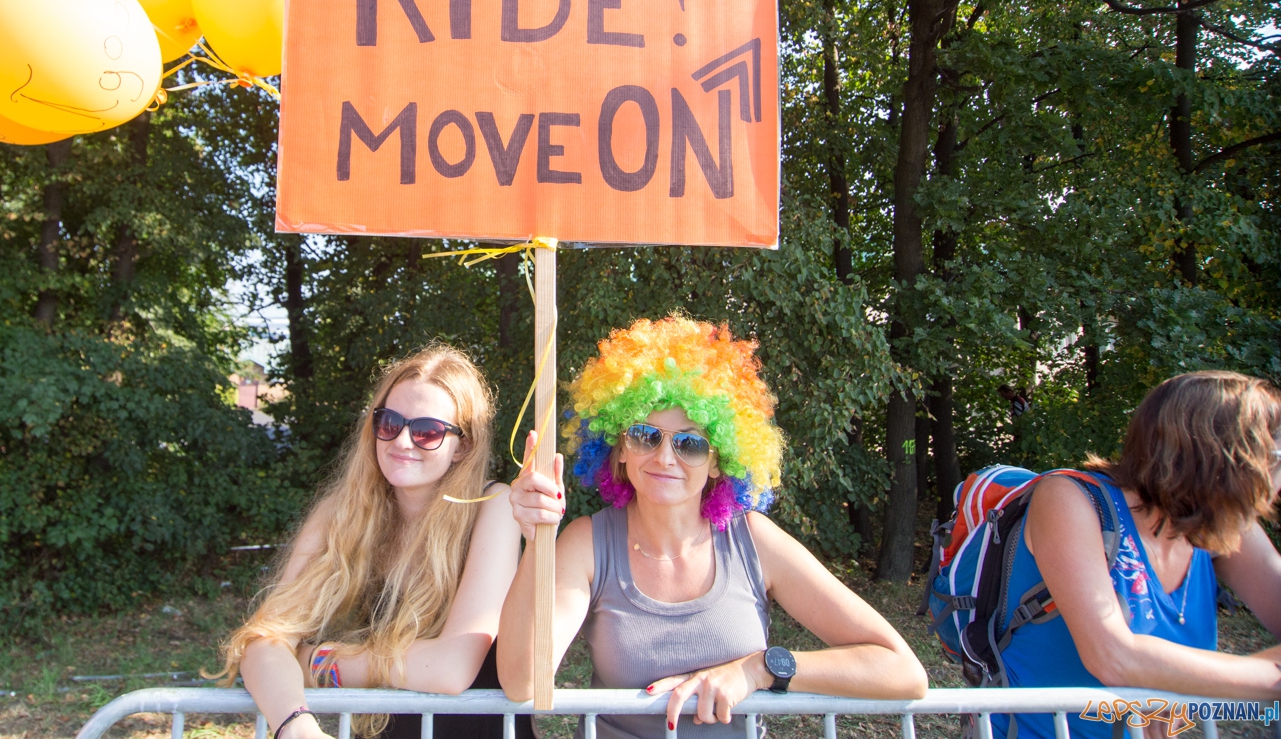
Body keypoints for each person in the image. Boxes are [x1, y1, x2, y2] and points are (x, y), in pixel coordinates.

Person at [498, 316, 927, 737]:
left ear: (719, 460)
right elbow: (522, 682)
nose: (665, 457)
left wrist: (757, 669)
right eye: (646, 435)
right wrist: (537, 542)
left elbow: (902, 671)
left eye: (689, 443)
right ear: (620, 448)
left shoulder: (753, 540)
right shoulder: (587, 543)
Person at [223, 345, 518, 739]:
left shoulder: (493, 506)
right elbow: (264, 642)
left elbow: (451, 668)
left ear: (463, 445)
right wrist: (296, 727)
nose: (402, 441)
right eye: (389, 422)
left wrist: (317, 662)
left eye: (427, 431)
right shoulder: (342, 513)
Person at [997, 371, 1281, 739]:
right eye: (1276, 455)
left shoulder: (1223, 526)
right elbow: (1114, 657)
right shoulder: (1069, 500)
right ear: (1223, 456)